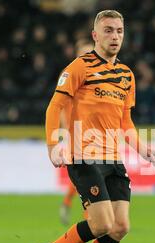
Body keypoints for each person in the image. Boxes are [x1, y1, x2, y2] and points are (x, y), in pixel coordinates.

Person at [34, 10, 155, 243]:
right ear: (95, 35)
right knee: (102, 224)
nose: (114, 36)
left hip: (113, 159)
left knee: (120, 226)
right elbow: (54, 107)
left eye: (119, 31)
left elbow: (125, 122)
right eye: (108, 30)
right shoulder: (79, 67)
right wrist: (54, 146)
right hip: (83, 156)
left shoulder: (127, 75)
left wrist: (142, 148)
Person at [59, 39, 95, 226]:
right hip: (78, 134)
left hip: (97, 133)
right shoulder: (71, 76)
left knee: (92, 173)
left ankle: (70, 204)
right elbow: (62, 106)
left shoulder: (98, 77)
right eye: (84, 54)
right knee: (89, 173)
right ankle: (89, 216)